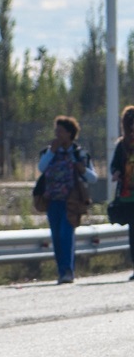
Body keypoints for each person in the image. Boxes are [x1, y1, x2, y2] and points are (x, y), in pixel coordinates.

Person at [38, 114, 95, 285]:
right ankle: (61, 271)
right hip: (52, 200)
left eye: (61, 132)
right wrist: (51, 152)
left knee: (66, 234)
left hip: (71, 201)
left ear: (70, 133)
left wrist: (82, 170)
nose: (57, 135)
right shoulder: (49, 152)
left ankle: (68, 271)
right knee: (56, 236)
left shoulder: (79, 154)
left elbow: (93, 178)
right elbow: (41, 168)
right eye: (56, 131)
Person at [107, 106, 134, 278]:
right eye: (130, 124)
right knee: (133, 233)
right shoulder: (122, 145)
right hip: (128, 196)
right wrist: (116, 172)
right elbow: (114, 165)